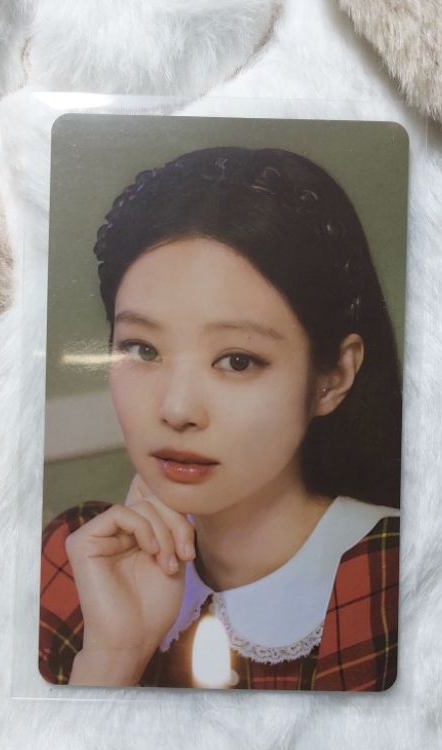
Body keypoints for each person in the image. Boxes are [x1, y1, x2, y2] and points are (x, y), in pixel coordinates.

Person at [39, 147, 402, 691]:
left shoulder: (392, 573)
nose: (177, 410)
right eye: (141, 349)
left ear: (333, 377)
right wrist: (114, 655)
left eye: (237, 360)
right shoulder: (82, 554)